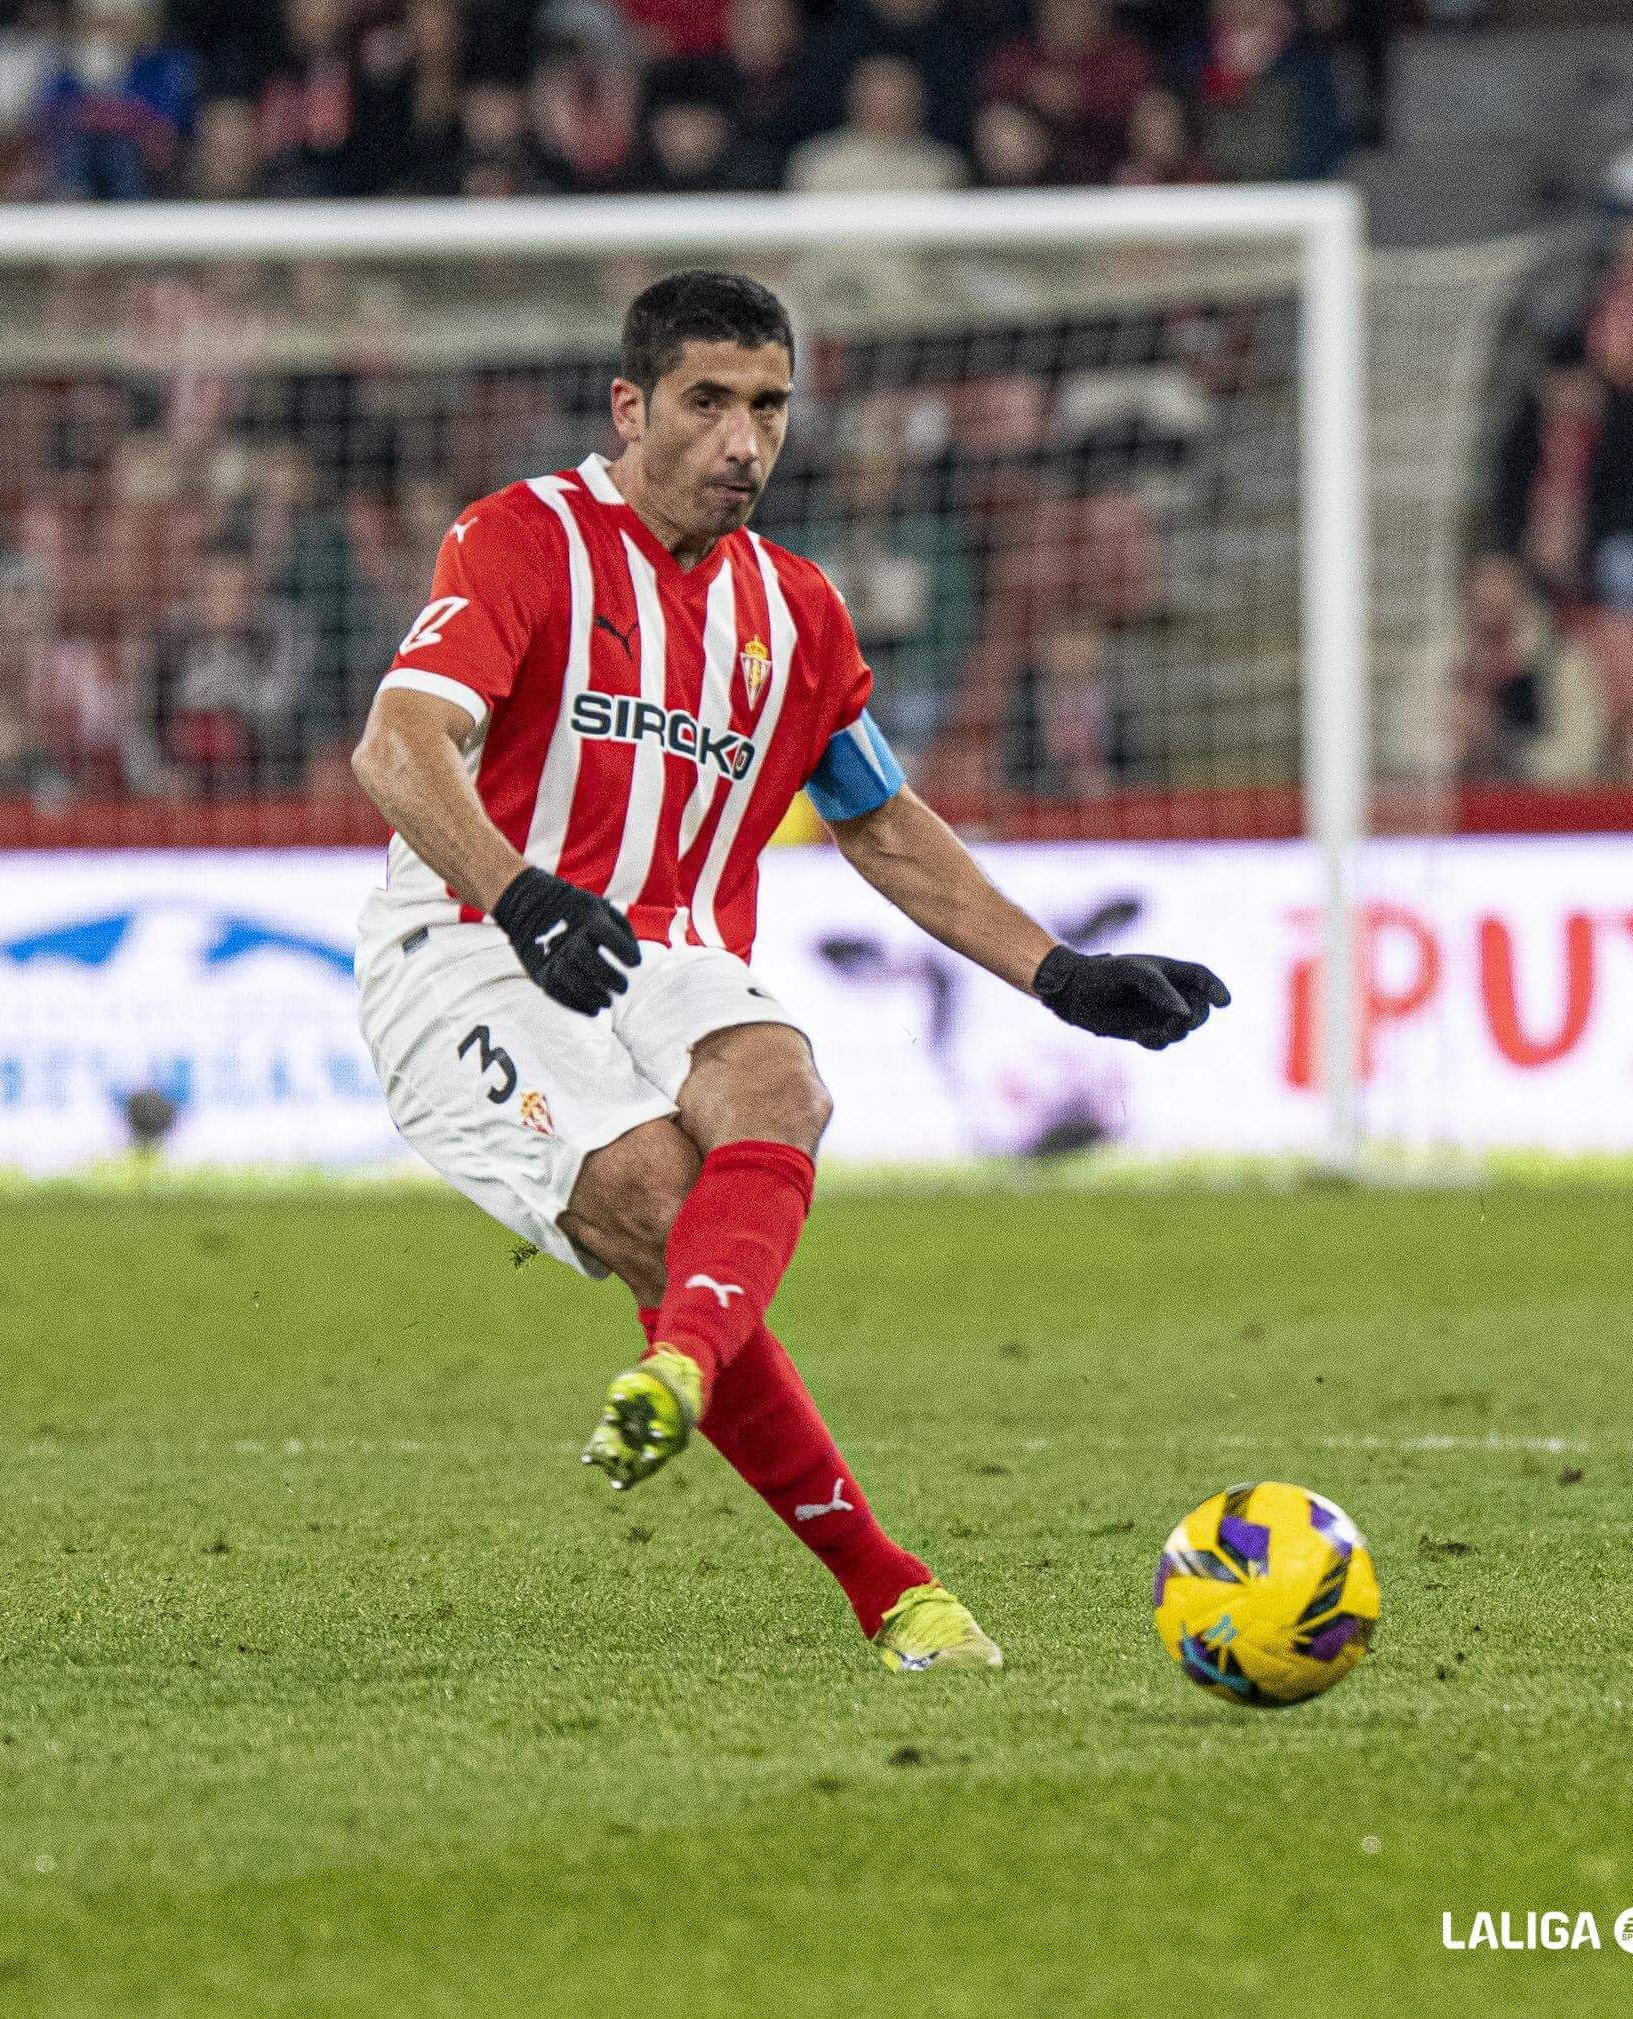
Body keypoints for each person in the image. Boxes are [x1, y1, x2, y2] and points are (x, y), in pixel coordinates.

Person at [347, 272, 1228, 1673]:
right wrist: (517, 894)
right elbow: (398, 749)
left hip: (671, 946)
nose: (743, 441)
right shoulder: (524, 541)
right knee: (651, 1196)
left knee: (781, 1083)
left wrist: (1059, 975)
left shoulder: (797, 612)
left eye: (768, 407)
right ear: (632, 409)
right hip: (469, 951)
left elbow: (878, 822)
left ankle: (681, 1365)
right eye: (709, 404)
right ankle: (891, 1588)